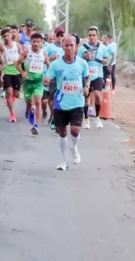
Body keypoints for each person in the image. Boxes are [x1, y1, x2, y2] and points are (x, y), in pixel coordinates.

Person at [44, 35, 90, 171]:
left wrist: (87, 86)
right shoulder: (56, 64)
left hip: (77, 102)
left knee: (75, 130)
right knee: (62, 132)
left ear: (76, 47)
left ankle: (74, 147)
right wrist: (46, 81)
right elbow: (47, 77)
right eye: (66, 45)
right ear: (63, 47)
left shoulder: (82, 63)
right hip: (60, 103)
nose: (69, 48)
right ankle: (64, 161)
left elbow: (87, 77)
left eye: (72, 45)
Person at [17, 32, 49, 135]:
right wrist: (22, 72)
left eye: (38, 42)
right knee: (29, 102)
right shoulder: (26, 52)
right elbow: (17, 63)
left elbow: (49, 66)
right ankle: (29, 110)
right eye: (34, 41)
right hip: (27, 82)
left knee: (38, 101)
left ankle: (36, 125)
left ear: (41, 43)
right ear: (31, 42)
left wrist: (48, 77)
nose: (35, 44)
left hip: (38, 82)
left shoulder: (44, 54)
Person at [77, 26, 105, 129]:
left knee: (97, 95)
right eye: (90, 35)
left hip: (98, 74)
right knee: (86, 97)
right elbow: (78, 62)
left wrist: (103, 61)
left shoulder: (102, 48)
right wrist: (84, 58)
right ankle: (86, 119)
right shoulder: (82, 48)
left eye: (94, 35)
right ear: (87, 36)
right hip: (86, 75)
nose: (92, 37)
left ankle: (97, 117)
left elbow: (106, 60)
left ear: (97, 36)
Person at [0, 27, 24, 121]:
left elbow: (22, 56)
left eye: (8, 35)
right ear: (2, 37)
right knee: (9, 91)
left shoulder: (17, 45)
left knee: (16, 94)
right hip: (7, 71)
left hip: (16, 70)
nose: (6, 37)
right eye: (4, 36)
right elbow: (0, 61)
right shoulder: (2, 47)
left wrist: (19, 62)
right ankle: (12, 114)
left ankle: (12, 98)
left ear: (11, 35)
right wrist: (1, 73)